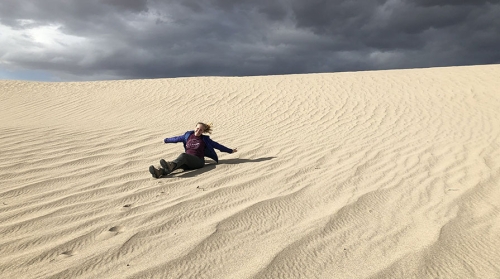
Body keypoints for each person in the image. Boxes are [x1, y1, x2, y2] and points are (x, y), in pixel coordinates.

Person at [149, 122, 237, 178]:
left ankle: (170, 165)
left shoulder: (205, 140)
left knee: (183, 156)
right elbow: (176, 139)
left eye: (201, 130)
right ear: (195, 127)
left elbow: (218, 146)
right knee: (177, 164)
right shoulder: (187, 135)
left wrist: (230, 150)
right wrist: (166, 140)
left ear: (203, 131)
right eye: (198, 128)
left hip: (198, 161)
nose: (198, 130)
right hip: (187, 161)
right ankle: (159, 172)